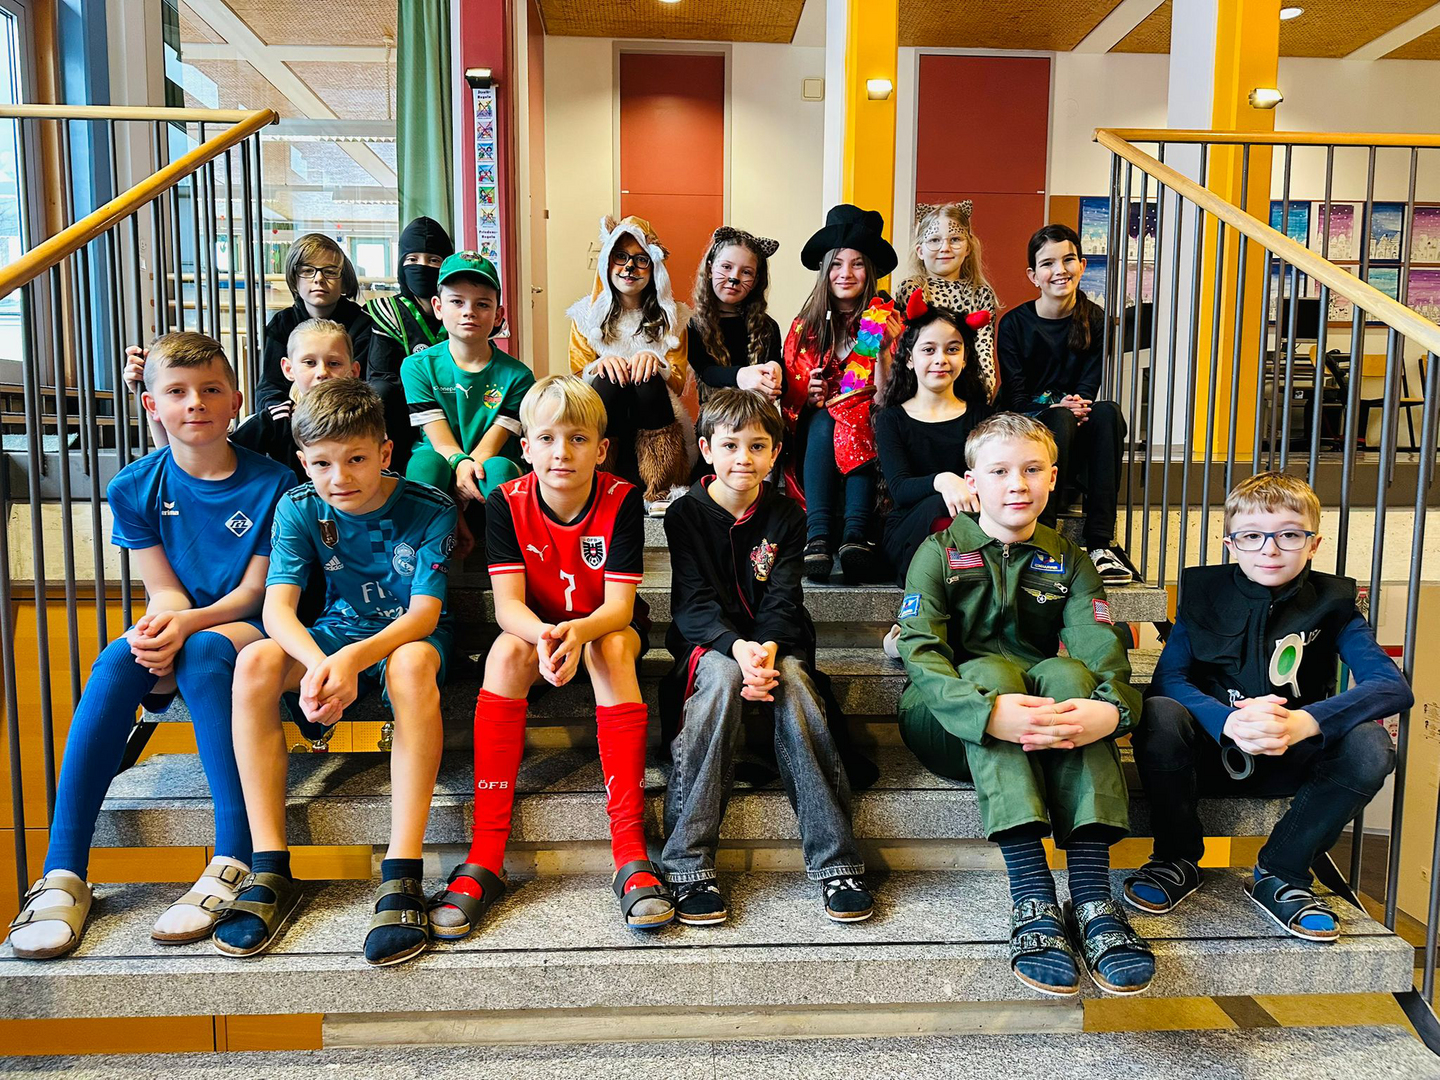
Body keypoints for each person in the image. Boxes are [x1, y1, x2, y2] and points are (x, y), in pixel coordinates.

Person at [7, 333, 294, 960]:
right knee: (118, 657)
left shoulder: (275, 482)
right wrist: (160, 628)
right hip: (188, 619)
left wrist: (185, 628)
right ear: (151, 406)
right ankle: (63, 871)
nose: (195, 403)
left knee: (206, 653)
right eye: (177, 392)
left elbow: (254, 593)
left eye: (211, 389)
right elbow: (162, 589)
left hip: (254, 625)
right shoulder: (134, 485)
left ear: (236, 401)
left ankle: (233, 856)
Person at [895, 412, 1152, 998]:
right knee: (988, 672)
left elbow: (1099, 647)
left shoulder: (1070, 560)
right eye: (1000, 471)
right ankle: (1033, 898)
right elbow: (920, 651)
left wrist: (1113, 711)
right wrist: (986, 713)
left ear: (1053, 478)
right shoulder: (938, 552)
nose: (1017, 484)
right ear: (972, 482)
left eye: (1032, 470)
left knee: (1067, 672)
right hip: (947, 722)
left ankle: (1092, 901)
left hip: (1041, 718)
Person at [213, 379, 457, 967]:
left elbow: (423, 615)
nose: (339, 477)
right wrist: (322, 664)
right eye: (322, 463)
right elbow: (277, 610)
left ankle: (402, 872)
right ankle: (270, 866)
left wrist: (351, 662)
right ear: (303, 461)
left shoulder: (431, 508)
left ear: (385, 452)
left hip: (409, 636)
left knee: (411, 666)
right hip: (336, 631)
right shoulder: (298, 506)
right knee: (255, 660)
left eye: (356, 460)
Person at [429, 375, 674, 937]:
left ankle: (629, 851)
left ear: (602, 449)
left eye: (578, 439)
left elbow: (619, 608)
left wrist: (576, 633)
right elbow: (507, 607)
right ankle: (486, 855)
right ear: (526, 448)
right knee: (503, 655)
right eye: (547, 438)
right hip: (538, 632)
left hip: (602, 627)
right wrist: (545, 636)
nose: (562, 451)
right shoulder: (505, 502)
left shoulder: (622, 498)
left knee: (613, 647)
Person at [1125, 472, 1407, 942]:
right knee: (1159, 712)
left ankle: (1283, 872)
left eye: (1289, 535)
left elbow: (1389, 686)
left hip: (1293, 756)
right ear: (1231, 544)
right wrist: (1228, 721)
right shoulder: (1204, 594)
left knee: (1371, 744)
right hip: (1211, 754)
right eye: (1252, 536)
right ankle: (1175, 857)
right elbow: (1169, 678)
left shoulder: (1335, 604)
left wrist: (1304, 721)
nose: (1270, 550)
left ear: (1313, 544)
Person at [659, 389, 871, 926]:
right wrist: (737, 649)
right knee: (722, 676)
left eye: (757, 446)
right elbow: (692, 604)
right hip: (709, 643)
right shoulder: (685, 514)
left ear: (775, 453)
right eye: (730, 445)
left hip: (778, 640)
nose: (743, 458)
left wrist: (769, 649)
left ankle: (836, 862)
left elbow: (783, 599)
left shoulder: (787, 515)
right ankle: (687, 862)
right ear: (706, 449)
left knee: (793, 679)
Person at [997, 224, 1134, 587]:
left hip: (1076, 421)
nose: (1060, 270)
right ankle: (1042, 538)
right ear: (1033, 276)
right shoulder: (1014, 324)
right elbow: (1016, 398)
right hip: (1025, 425)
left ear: (1082, 265)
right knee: (1059, 417)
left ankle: (1100, 544)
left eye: (1068, 260)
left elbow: (1088, 390)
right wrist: (1059, 406)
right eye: (1048, 263)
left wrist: (1071, 406)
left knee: (1107, 412)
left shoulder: (1096, 320)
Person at [779, 204, 903, 585]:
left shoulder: (883, 319)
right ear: (824, 270)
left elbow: (887, 398)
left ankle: (855, 534)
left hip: (870, 423)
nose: (845, 273)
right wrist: (807, 395)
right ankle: (818, 535)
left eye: (857, 264)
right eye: (836, 264)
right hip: (817, 431)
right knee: (823, 419)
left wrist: (883, 351)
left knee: (854, 415)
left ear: (870, 271)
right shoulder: (807, 327)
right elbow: (790, 399)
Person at [401, 251, 534, 553]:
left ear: (498, 315)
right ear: (438, 307)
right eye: (457, 302)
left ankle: (507, 562)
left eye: (482, 304)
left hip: (488, 466)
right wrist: (460, 466)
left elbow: (491, 446)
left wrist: (468, 468)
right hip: (441, 460)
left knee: (498, 469)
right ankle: (417, 561)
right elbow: (439, 440)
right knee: (424, 465)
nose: (469, 312)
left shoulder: (518, 376)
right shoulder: (417, 367)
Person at [568, 215, 693, 514]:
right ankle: (599, 480)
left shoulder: (674, 318)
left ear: (654, 267)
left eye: (641, 260)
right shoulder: (585, 316)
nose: (629, 268)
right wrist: (600, 366)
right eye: (621, 257)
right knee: (609, 378)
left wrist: (656, 362)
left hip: (656, 415)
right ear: (607, 261)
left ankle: (660, 485)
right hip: (606, 412)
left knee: (646, 377)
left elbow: (677, 383)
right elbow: (576, 379)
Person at [874, 294, 994, 590]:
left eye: (952, 349)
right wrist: (943, 480)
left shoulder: (982, 416)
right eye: (929, 350)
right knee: (939, 504)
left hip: (971, 520)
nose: (941, 359)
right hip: (910, 530)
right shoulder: (892, 419)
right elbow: (900, 489)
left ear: (965, 358)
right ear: (910, 359)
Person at [367, 216, 456, 476]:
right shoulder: (388, 312)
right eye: (412, 259)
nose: (422, 267)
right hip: (404, 411)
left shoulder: (460, 310)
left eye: (433, 260)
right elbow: (380, 376)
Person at [255, 233, 374, 413]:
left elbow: (367, 385)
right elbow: (269, 388)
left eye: (330, 272)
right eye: (307, 271)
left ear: (344, 280)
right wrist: (287, 415)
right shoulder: (281, 324)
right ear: (294, 279)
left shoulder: (363, 324)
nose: (319, 279)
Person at [233, 318, 360, 484]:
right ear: (288, 369)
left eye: (334, 363)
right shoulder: (276, 421)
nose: (322, 372)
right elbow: (226, 459)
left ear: (354, 371)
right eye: (310, 363)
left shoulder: (365, 419)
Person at [894, 201, 1001, 399]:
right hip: (918, 392)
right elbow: (903, 349)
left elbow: (984, 350)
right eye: (934, 240)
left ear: (968, 248)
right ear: (920, 250)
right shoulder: (911, 289)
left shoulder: (980, 293)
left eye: (955, 239)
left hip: (966, 390)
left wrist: (983, 397)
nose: (945, 248)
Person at [687, 227, 784, 406]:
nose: (734, 278)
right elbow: (706, 372)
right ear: (710, 269)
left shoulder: (767, 326)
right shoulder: (694, 325)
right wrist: (741, 376)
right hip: (717, 417)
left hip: (759, 416)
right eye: (726, 267)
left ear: (755, 281)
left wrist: (776, 370)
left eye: (746, 272)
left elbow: (780, 383)